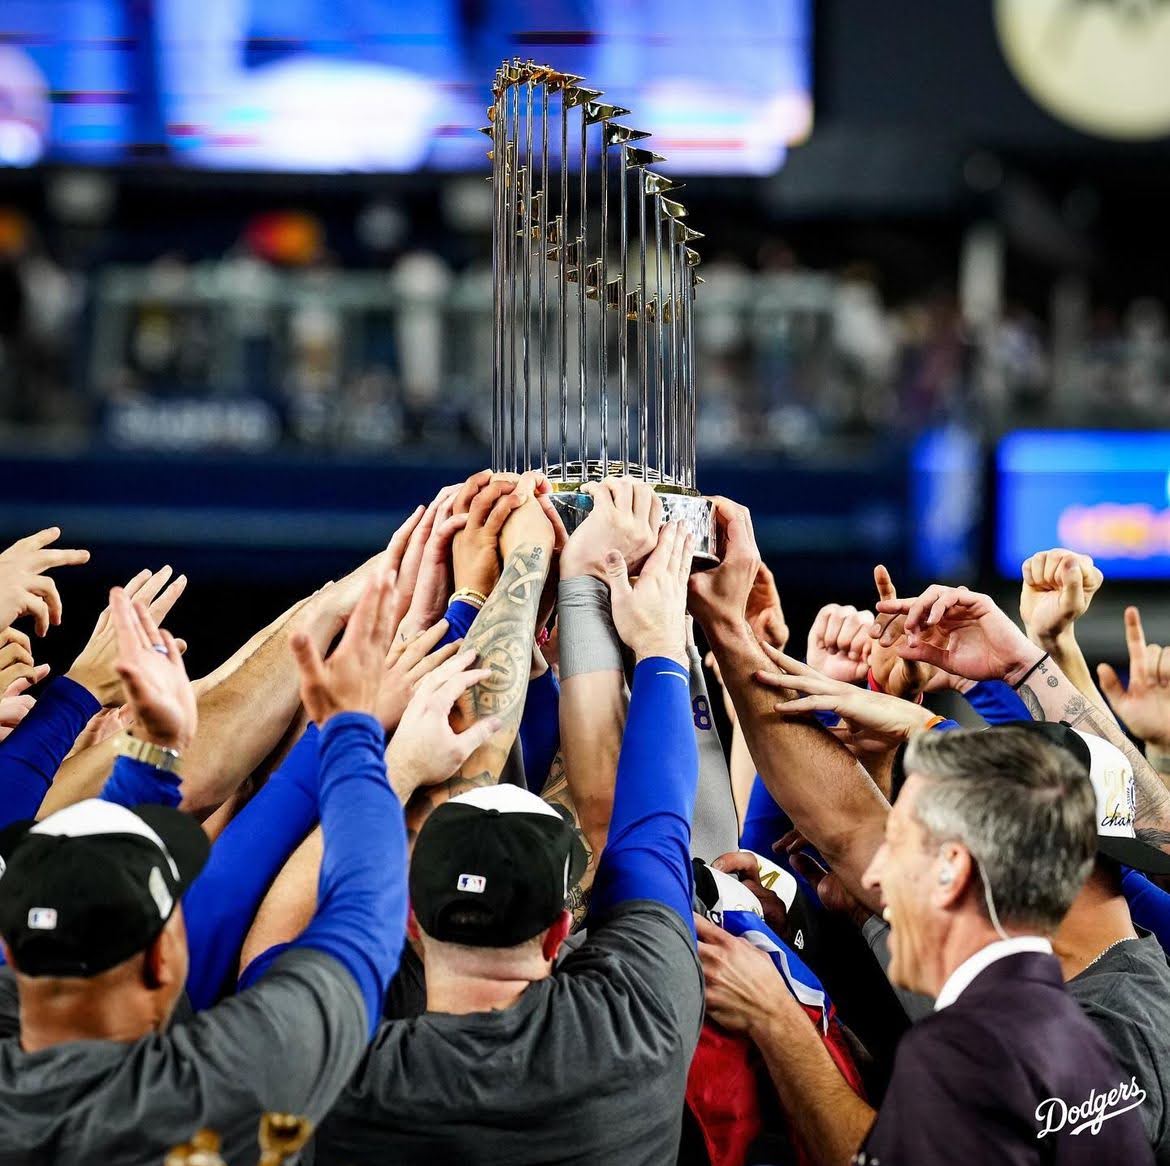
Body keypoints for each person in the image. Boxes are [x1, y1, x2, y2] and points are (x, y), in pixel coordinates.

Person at [0, 568, 471, 1164]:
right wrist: (350, 731)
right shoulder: (241, 1076)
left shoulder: (246, 1071)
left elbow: (364, 919)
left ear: (13, 951)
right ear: (164, 958)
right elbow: (361, 917)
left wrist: (152, 756)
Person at [314, 520, 704, 1164]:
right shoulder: (637, 1024)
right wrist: (659, 641)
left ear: (409, 923)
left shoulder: (336, 1068)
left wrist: (475, 603)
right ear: (559, 931)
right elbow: (643, 836)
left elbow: (277, 934)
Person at [699, 726, 1154, 1165]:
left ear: (953, 868)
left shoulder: (975, 1045)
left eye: (897, 844)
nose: (873, 876)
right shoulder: (1069, 1021)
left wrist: (775, 1018)